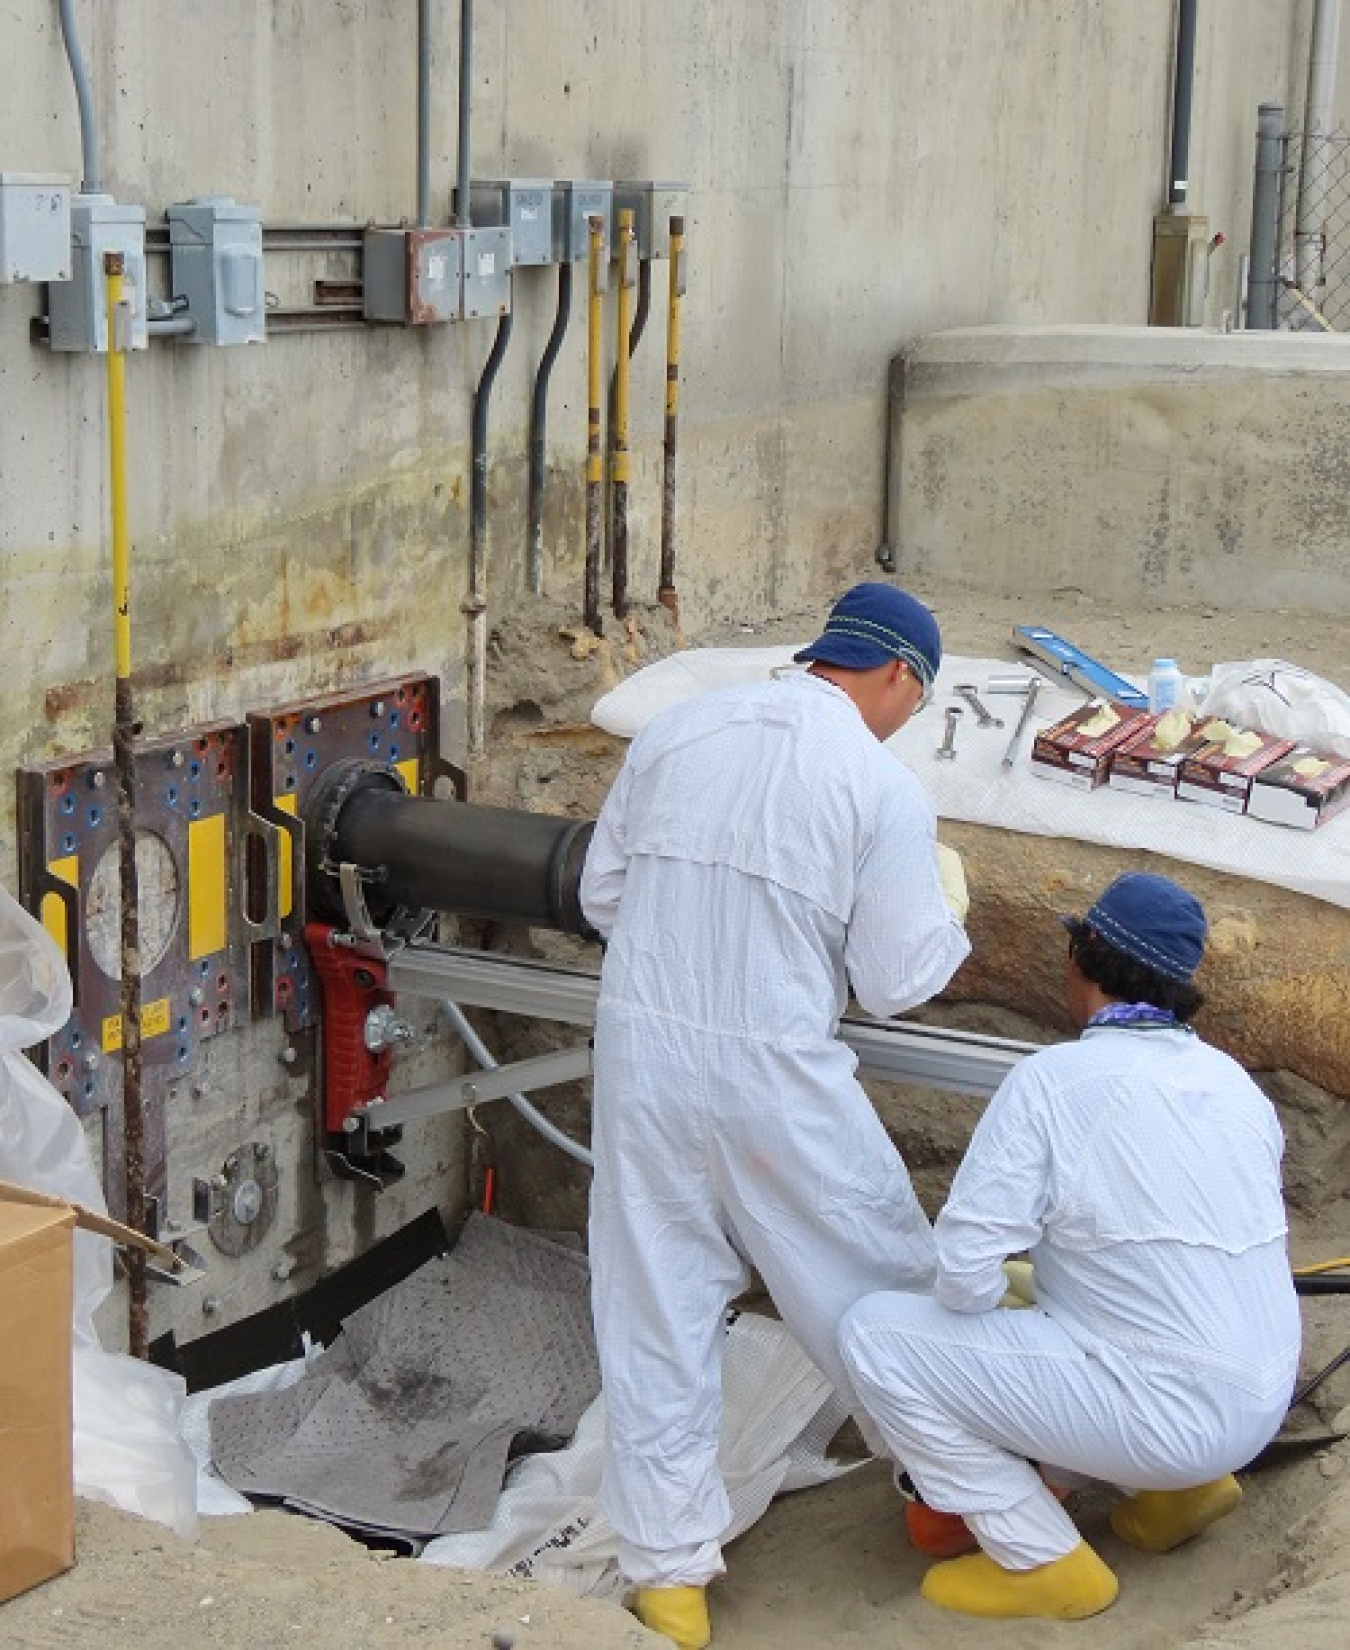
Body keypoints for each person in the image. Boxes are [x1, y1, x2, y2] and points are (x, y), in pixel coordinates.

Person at [579, 582, 971, 1648]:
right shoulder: (876, 787)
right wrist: (951, 907)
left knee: (654, 1307)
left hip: (644, 1058)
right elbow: (895, 978)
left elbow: (601, 896)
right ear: (900, 677)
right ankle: (956, 1492)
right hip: (776, 1078)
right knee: (879, 1284)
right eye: (918, 703)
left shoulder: (675, 732)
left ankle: (667, 1581)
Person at [838, 872, 1302, 1623]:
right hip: (1258, 1402)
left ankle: (1045, 1563)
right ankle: (1178, 1494)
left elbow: (962, 1274)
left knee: (874, 1335)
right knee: (1075, 1292)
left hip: (1163, 1413)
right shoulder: (1235, 1086)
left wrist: (997, 1310)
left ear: (1083, 956)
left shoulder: (1053, 1081)